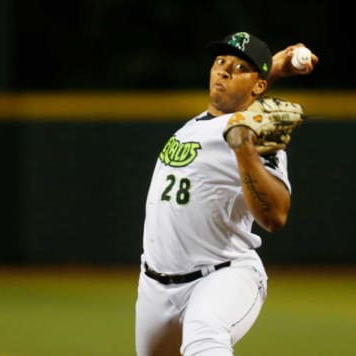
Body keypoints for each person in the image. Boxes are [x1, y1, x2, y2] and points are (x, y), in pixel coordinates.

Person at [135, 31, 319, 356]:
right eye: (220, 62)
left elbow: (275, 215)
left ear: (258, 86)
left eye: (238, 67)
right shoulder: (200, 123)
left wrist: (244, 147)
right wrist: (276, 64)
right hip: (155, 286)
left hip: (222, 275)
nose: (223, 70)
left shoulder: (257, 130)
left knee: (205, 339)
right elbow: (246, 88)